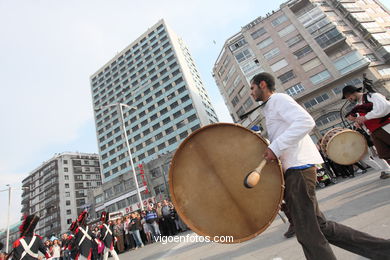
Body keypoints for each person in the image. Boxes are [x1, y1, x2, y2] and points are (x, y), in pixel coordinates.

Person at [249, 72, 390, 260]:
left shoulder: (279, 99)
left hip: (299, 168)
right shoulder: (269, 108)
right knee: (320, 226)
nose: (251, 93)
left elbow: (306, 122)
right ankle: (383, 251)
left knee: (307, 231)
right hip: (294, 169)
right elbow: (286, 134)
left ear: (263, 85)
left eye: (252, 88)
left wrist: (275, 147)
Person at [342, 84, 390, 179]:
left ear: (352, 93)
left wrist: (365, 117)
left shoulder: (372, 96)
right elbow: (365, 119)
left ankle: (387, 170)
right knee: (384, 153)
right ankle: (387, 169)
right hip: (374, 131)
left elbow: (385, 107)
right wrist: (357, 121)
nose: (349, 99)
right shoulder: (358, 105)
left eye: (348, 97)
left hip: (385, 126)